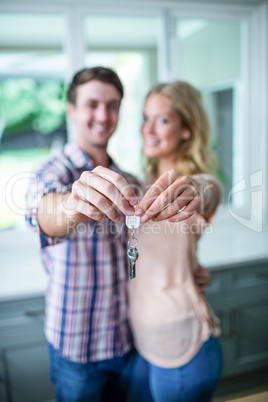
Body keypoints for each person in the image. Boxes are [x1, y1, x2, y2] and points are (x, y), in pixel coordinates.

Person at [25, 67, 211, 402]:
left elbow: (201, 196)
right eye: (92, 104)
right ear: (72, 110)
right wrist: (74, 204)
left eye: (112, 105)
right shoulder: (52, 172)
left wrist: (187, 270)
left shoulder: (128, 179)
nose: (103, 115)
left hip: (127, 344)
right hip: (78, 350)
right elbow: (46, 214)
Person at [127, 81, 223, 402]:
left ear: (187, 129)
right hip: (144, 342)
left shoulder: (190, 188)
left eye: (163, 119)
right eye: (145, 117)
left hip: (183, 345)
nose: (148, 129)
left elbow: (208, 191)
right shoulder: (139, 186)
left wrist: (196, 188)